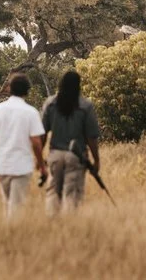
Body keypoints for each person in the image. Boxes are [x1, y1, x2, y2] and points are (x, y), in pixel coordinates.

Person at [0, 73, 47, 219]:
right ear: (27, 91)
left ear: (9, 88)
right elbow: (36, 143)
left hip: (2, 166)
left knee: (7, 205)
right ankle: (13, 237)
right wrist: (42, 166)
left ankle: (8, 237)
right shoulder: (31, 112)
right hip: (22, 167)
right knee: (16, 209)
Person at [41, 70, 101, 216]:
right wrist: (96, 160)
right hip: (76, 156)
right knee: (72, 193)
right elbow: (91, 137)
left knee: (53, 191)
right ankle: (69, 225)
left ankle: (52, 223)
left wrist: (40, 157)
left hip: (55, 154)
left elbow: (42, 133)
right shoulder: (85, 106)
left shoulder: (50, 103)